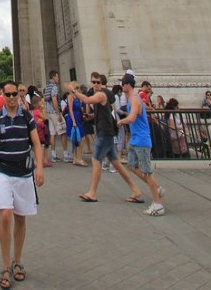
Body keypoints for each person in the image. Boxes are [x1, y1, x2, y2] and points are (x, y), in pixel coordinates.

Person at [0, 80, 44, 288]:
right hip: (2, 169)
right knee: (6, 214)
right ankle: (5, 265)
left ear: (19, 95)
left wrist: (39, 168)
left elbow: (36, 143)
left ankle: (17, 261)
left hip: (23, 171)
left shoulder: (27, 116)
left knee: (21, 218)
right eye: (8, 94)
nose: (11, 98)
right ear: (3, 95)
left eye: (14, 94)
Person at [65, 74, 140, 203]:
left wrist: (73, 91)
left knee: (96, 160)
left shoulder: (101, 94)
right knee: (116, 163)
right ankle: (135, 189)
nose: (95, 84)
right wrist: (92, 116)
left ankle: (92, 192)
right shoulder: (104, 94)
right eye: (93, 82)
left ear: (102, 83)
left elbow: (87, 100)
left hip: (104, 133)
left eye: (97, 82)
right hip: (106, 132)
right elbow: (103, 111)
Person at [118, 74, 166, 215]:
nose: (121, 86)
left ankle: (158, 205)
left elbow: (132, 117)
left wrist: (121, 121)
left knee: (146, 171)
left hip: (142, 140)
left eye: (122, 84)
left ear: (127, 85)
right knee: (132, 165)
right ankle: (156, 188)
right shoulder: (131, 99)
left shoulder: (134, 99)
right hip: (134, 139)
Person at [44, 69, 68, 162]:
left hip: (49, 112)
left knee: (53, 133)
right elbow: (54, 99)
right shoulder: (54, 87)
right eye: (57, 76)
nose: (58, 78)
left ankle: (53, 154)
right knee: (63, 132)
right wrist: (58, 113)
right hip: (54, 112)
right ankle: (66, 154)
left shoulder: (47, 87)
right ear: (54, 77)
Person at [65, 81, 86, 166]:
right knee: (81, 138)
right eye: (76, 88)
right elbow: (70, 109)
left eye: (78, 88)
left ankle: (75, 158)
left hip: (78, 118)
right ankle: (79, 158)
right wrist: (73, 121)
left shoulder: (76, 97)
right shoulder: (70, 97)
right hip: (73, 118)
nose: (78, 89)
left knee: (77, 139)